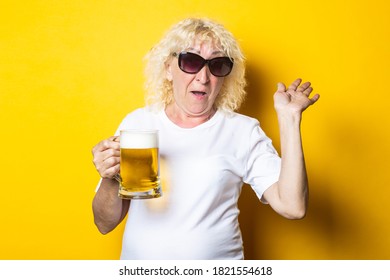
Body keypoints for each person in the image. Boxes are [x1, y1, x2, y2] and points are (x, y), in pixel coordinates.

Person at [91, 17, 320, 260]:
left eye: (218, 65)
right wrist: (110, 177)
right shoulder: (138, 124)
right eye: (191, 61)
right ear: (168, 68)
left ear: (225, 77)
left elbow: (293, 206)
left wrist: (289, 118)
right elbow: (104, 223)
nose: (203, 77)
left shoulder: (242, 131)